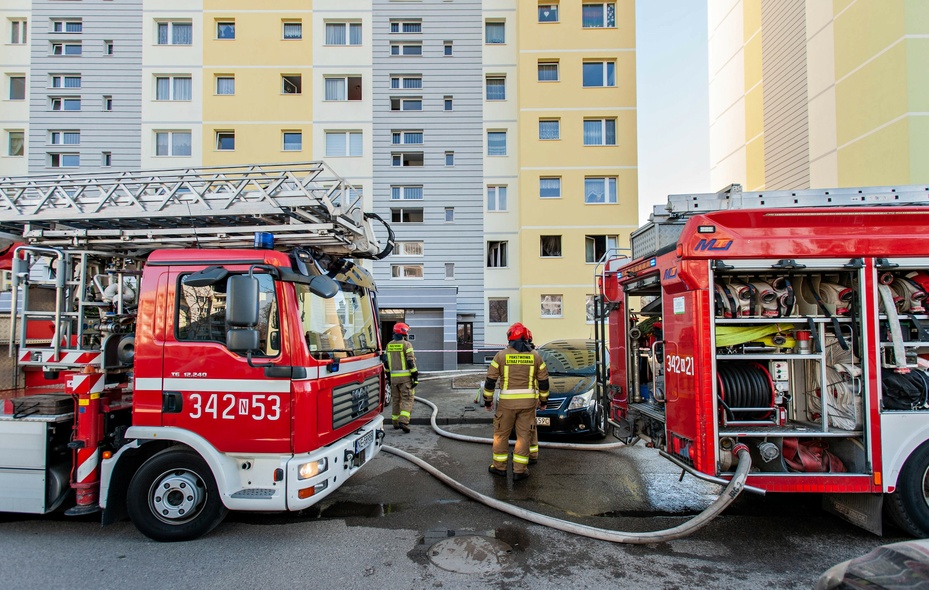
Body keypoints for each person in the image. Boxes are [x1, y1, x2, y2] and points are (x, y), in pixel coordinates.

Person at [482, 322, 549, 480]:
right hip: (528, 405)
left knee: (501, 435)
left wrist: (487, 401)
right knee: (524, 436)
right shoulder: (535, 356)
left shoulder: (501, 355)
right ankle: (519, 470)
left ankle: (499, 467)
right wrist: (543, 401)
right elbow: (544, 382)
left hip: (506, 405)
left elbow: (490, 380)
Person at [383, 322, 418, 433]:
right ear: (404, 331)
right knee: (408, 399)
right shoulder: (407, 345)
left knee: (396, 400)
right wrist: (415, 376)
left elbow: (386, 363)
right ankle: (403, 421)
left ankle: (395, 422)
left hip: (393, 379)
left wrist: (388, 376)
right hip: (405, 379)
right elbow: (410, 362)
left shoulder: (389, 345)